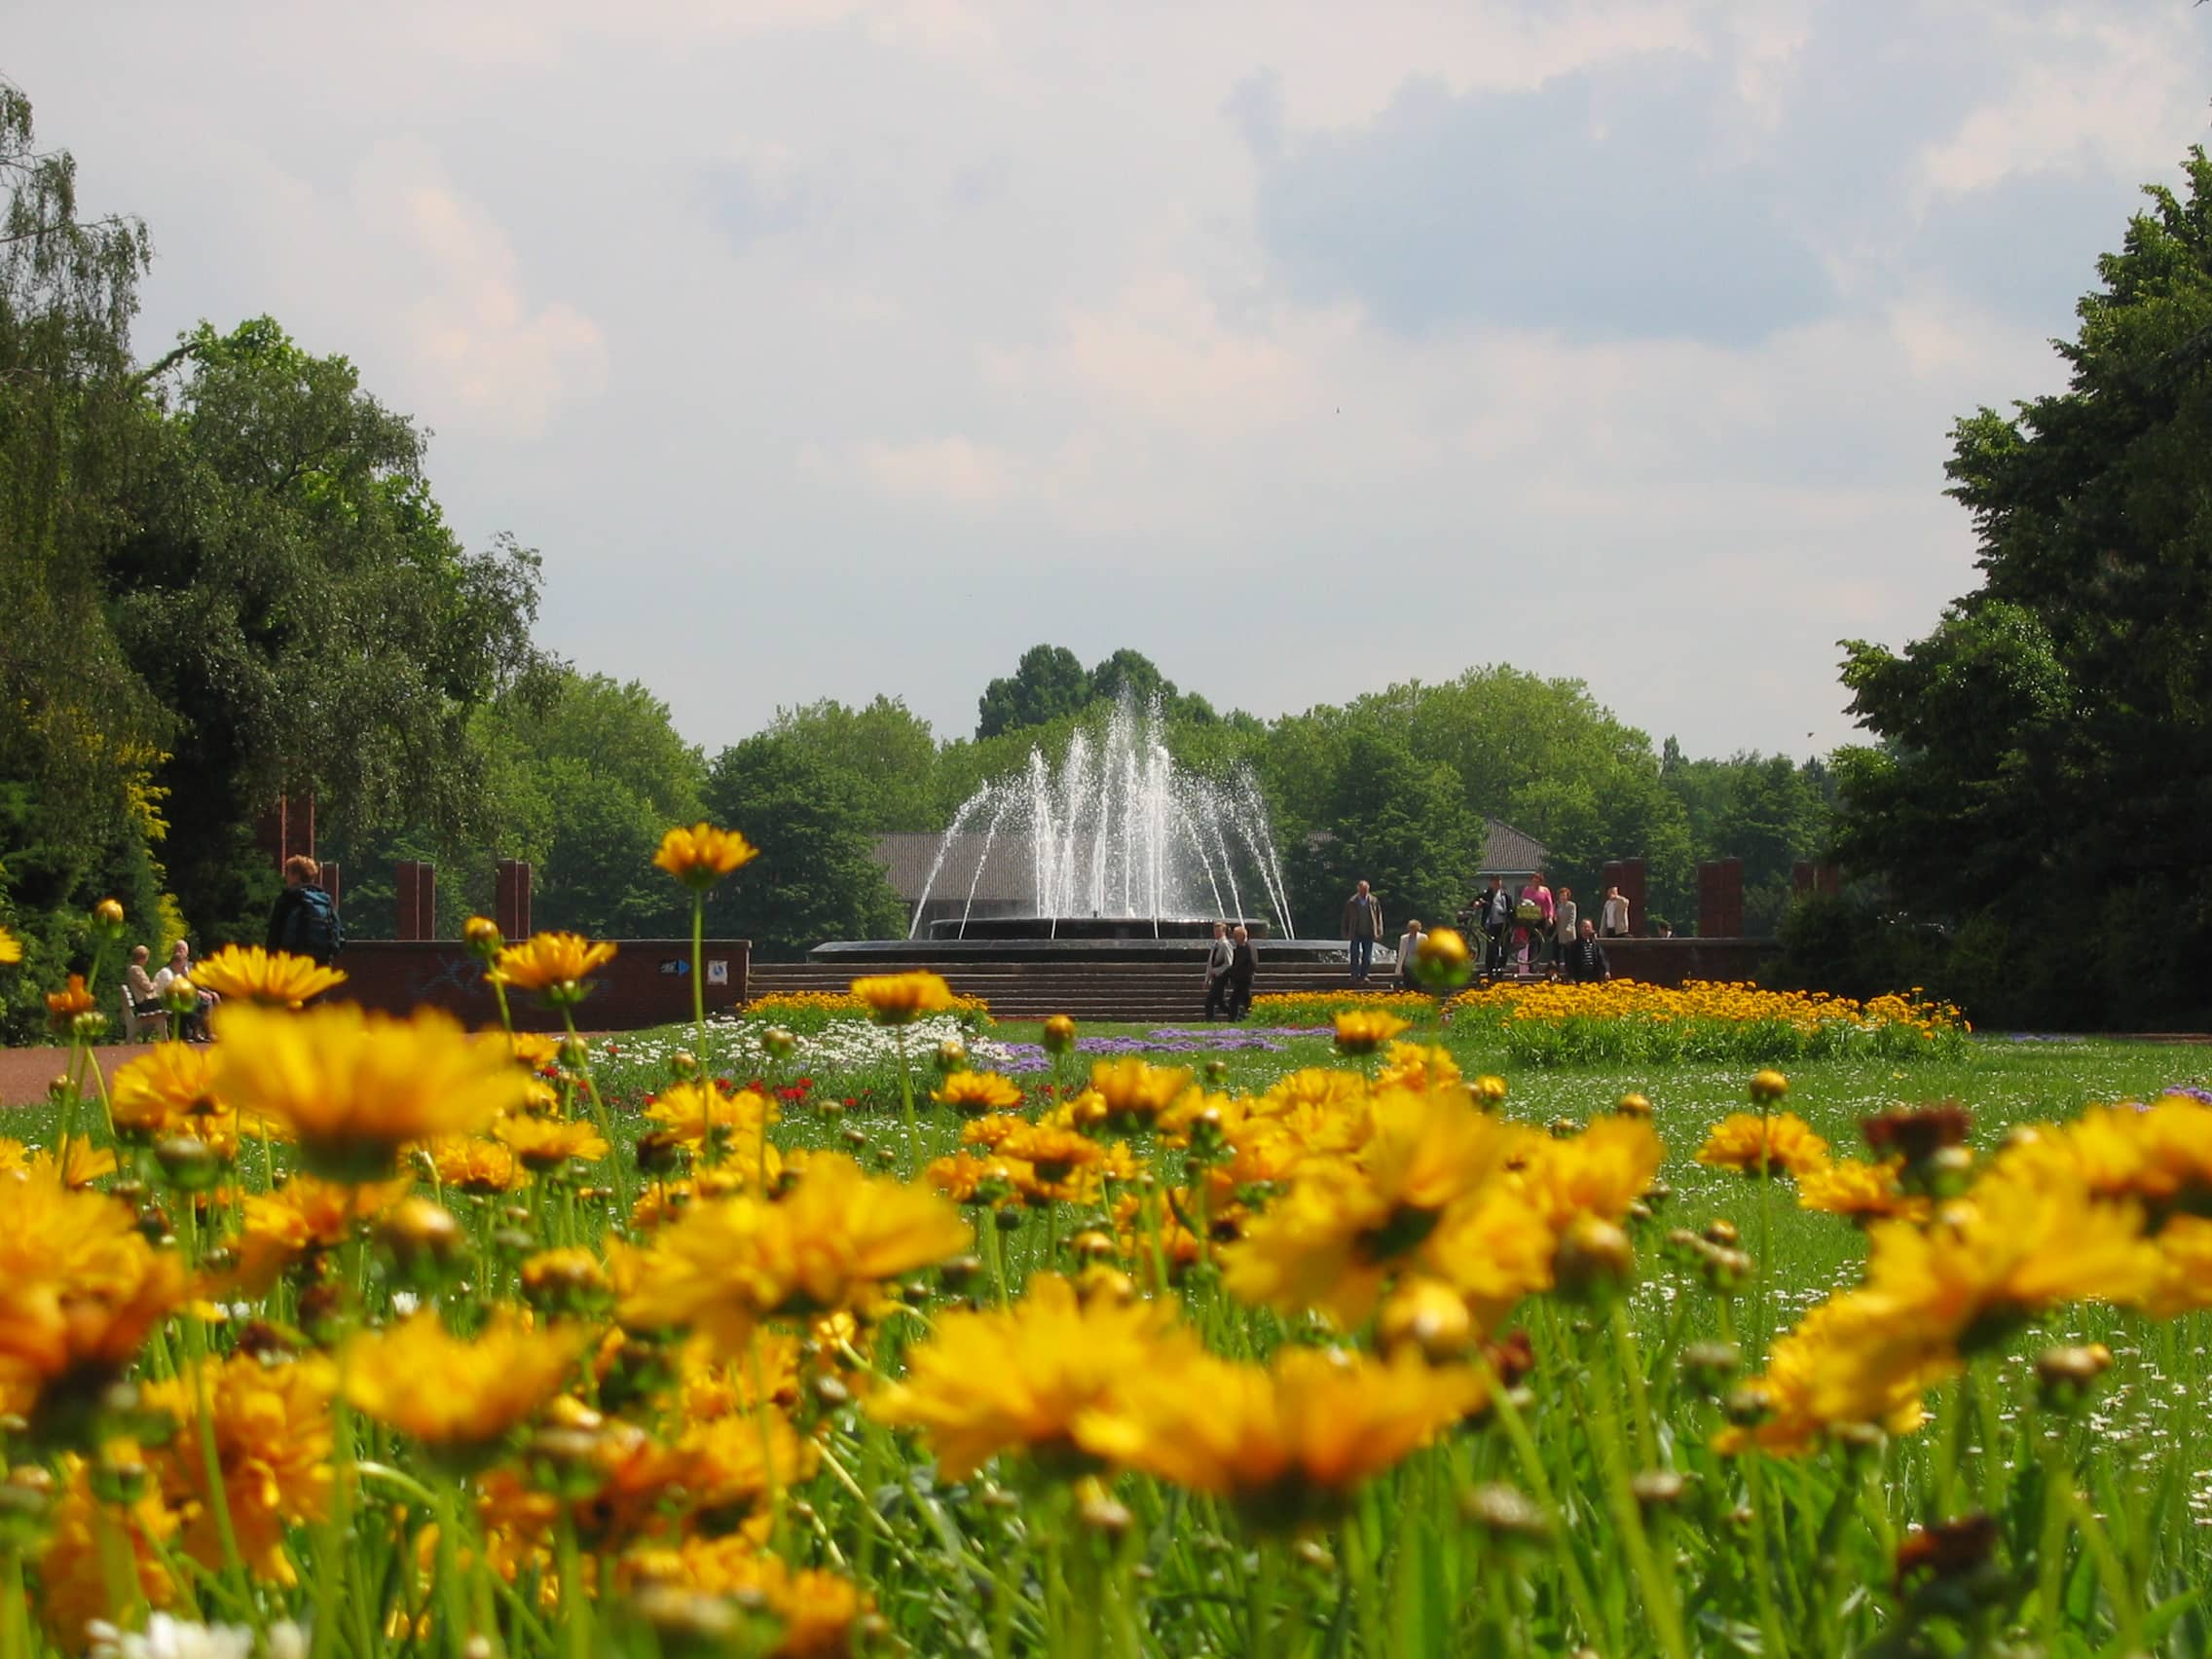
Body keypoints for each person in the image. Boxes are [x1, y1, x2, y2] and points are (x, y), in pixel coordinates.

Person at [267, 854, 345, 966]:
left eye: (288, 873)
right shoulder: (325, 899)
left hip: (293, 960)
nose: (286, 877)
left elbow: (275, 932)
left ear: (296, 875)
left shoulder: (289, 897)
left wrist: (271, 960)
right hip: (321, 961)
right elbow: (338, 932)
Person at [153, 940, 217, 1040]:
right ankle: (202, 1033)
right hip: (167, 1001)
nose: (183, 966)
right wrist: (198, 993)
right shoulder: (167, 971)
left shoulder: (181, 970)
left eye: (184, 950)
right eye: (179, 949)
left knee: (204, 1001)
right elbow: (174, 990)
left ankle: (206, 1032)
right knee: (200, 1003)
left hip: (178, 998)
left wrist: (207, 992)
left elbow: (191, 985)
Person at [1342, 880, 1383, 983]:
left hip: (1369, 932)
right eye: (1362, 890)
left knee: (1367, 956)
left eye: (1366, 890)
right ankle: (1354, 975)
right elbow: (1346, 917)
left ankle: (1364, 975)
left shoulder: (1373, 900)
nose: (1364, 892)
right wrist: (1345, 931)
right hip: (1355, 931)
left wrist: (1379, 931)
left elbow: (1378, 916)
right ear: (1358, 889)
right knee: (1354, 954)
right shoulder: (1352, 901)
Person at [1516, 871, 1555, 974]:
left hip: (1541, 919)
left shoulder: (1545, 891)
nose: (1535, 883)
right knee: (1532, 942)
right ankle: (1532, 966)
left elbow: (1549, 905)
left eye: (1537, 881)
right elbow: (1522, 902)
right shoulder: (1527, 890)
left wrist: (1550, 917)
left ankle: (1535, 964)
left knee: (1539, 942)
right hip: (1530, 919)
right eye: (1533, 881)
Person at [1479, 875, 1514, 975]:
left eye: (1498, 882)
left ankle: (1501, 967)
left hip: (1503, 924)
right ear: (1491, 883)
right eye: (1494, 882)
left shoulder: (1505, 895)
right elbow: (1476, 901)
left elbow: (1511, 909)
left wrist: (1508, 914)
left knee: (1505, 946)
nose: (1497, 884)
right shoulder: (1486, 895)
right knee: (1491, 946)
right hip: (1490, 924)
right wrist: (1477, 903)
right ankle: (1490, 968)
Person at [1201, 921, 1235, 1021]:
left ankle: (1209, 1021)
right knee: (1221, 1003)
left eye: (1218, 931)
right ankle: (1237, 1016)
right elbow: (1210, 964)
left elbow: (1229, 963)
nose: (1216, 933)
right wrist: (1207, 979)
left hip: (1222, 978)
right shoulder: (1215, 945)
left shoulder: (1226, 945)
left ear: (1223, 931)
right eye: (1215, 931)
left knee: (1210, 1001)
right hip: (1215, 978)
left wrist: (1217, 971)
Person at [1563, 917, 1611, 982]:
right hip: (1579, 978)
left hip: (1594, 978)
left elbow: (1602, 959)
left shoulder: (1595, 945)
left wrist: (1606, 971)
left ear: (1592, 929)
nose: (1586, 929)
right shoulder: (1572, 946)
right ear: (1580, 929)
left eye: (1588, 927)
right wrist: (1571, 977)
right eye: (1584, 927)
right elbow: (1569, 964)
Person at [1226, 924, 1256, 1020]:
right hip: (1239, 979)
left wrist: (1241, 974)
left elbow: (1252, 964)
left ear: (1241, 936)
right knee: (1243, 1000)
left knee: (1235, 1000)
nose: (1234, 939)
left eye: (1236, 936)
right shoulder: (1240, 947)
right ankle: (1245, 1017)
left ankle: (1234, 1019)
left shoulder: (1249, 948)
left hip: (1245, 979)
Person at [1552, 886, 1578, 973]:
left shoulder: (1571, 905)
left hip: (1568, 933)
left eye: (1564, 895)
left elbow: (1572, 917)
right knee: (1556, 952)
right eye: (1561, 895)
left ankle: (1569, 970)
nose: (1563, 897)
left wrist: (1569, 927)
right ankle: (1556, 969)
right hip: (1558, 932)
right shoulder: (1556, 905)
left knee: (1568, 953)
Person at [1396, 918, 1424, 989]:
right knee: (1407, 982)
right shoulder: (1403, 938)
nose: (1412, 930)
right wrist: (1399, 966)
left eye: (1414, 928)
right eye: (1411, 928)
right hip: (1407, 964)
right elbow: (1401, 952)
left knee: (1417, 983)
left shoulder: (1423, 937)